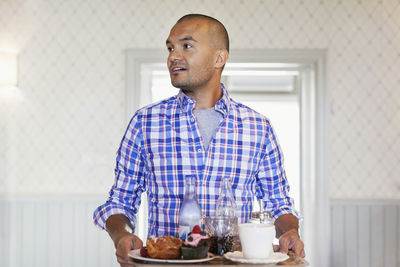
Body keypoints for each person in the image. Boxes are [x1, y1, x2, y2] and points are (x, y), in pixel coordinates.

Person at [93, 14, 305, 266]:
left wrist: (290, 231)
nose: (173, 56)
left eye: (187, 45)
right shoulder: (144, 123)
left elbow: (278, 203)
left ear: (219, 58)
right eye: (170, 48)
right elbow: (120, 202)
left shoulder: (258, 127)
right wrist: (122, 235)